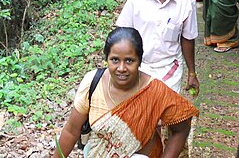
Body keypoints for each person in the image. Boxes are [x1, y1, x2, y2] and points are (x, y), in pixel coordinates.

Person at [53, 27, 198, 158]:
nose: (121, 68)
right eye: (115, 60)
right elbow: (71, 131)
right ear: (107, 59)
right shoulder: (93, 82)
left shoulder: (155, 91)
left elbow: (182, 128)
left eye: (129, 61)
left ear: (140, 61)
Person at [116, 0, 200, 95]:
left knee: (166, 111)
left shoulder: (185, 0)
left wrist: (192, 73)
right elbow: (123, 34)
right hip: (140, 66)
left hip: (170, 67)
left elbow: (187, 38)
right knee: (142, 112)